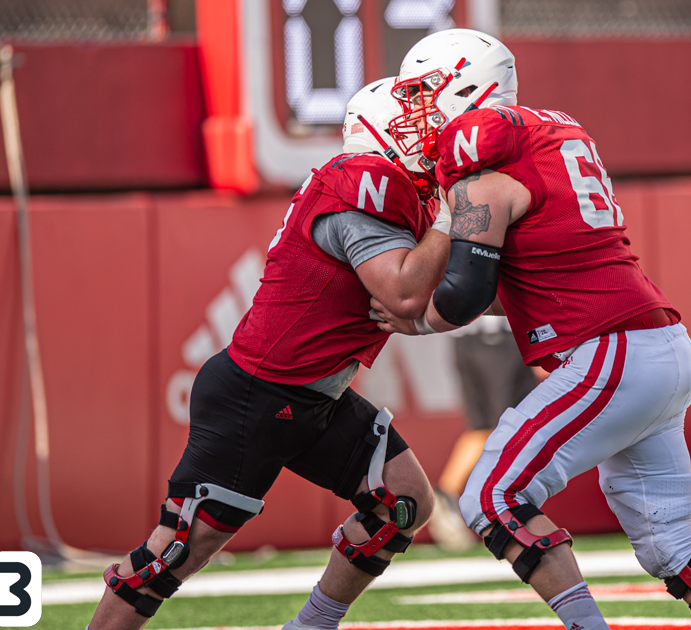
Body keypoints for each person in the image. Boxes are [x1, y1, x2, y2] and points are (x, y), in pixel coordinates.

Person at [370, 29, 691, 630]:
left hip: (612, 352)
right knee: (670, 547)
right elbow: (521, 288)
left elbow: (465, 295)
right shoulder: (546, 136)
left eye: (426, 92)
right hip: (655, 346)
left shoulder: (485, 169)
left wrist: (415, 320)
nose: (416, 111)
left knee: (490, 496)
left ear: (467, 89)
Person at [86, 78, 451, 630]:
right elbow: (404, 292)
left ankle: (310, 626)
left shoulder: (406, 199)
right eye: (412, 125)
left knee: (401, 504)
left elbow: (446, 293)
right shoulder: (363, 183)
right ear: (376, 133)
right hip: (256, 395)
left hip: (318, 398)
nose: (428, 136)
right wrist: (457, 222)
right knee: (177, 549)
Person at [430, 315, 540, 550]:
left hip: (465, 335)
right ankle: (496, 503)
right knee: (510, 428)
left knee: (485, 428)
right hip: (499, 336)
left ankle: (447, 494)